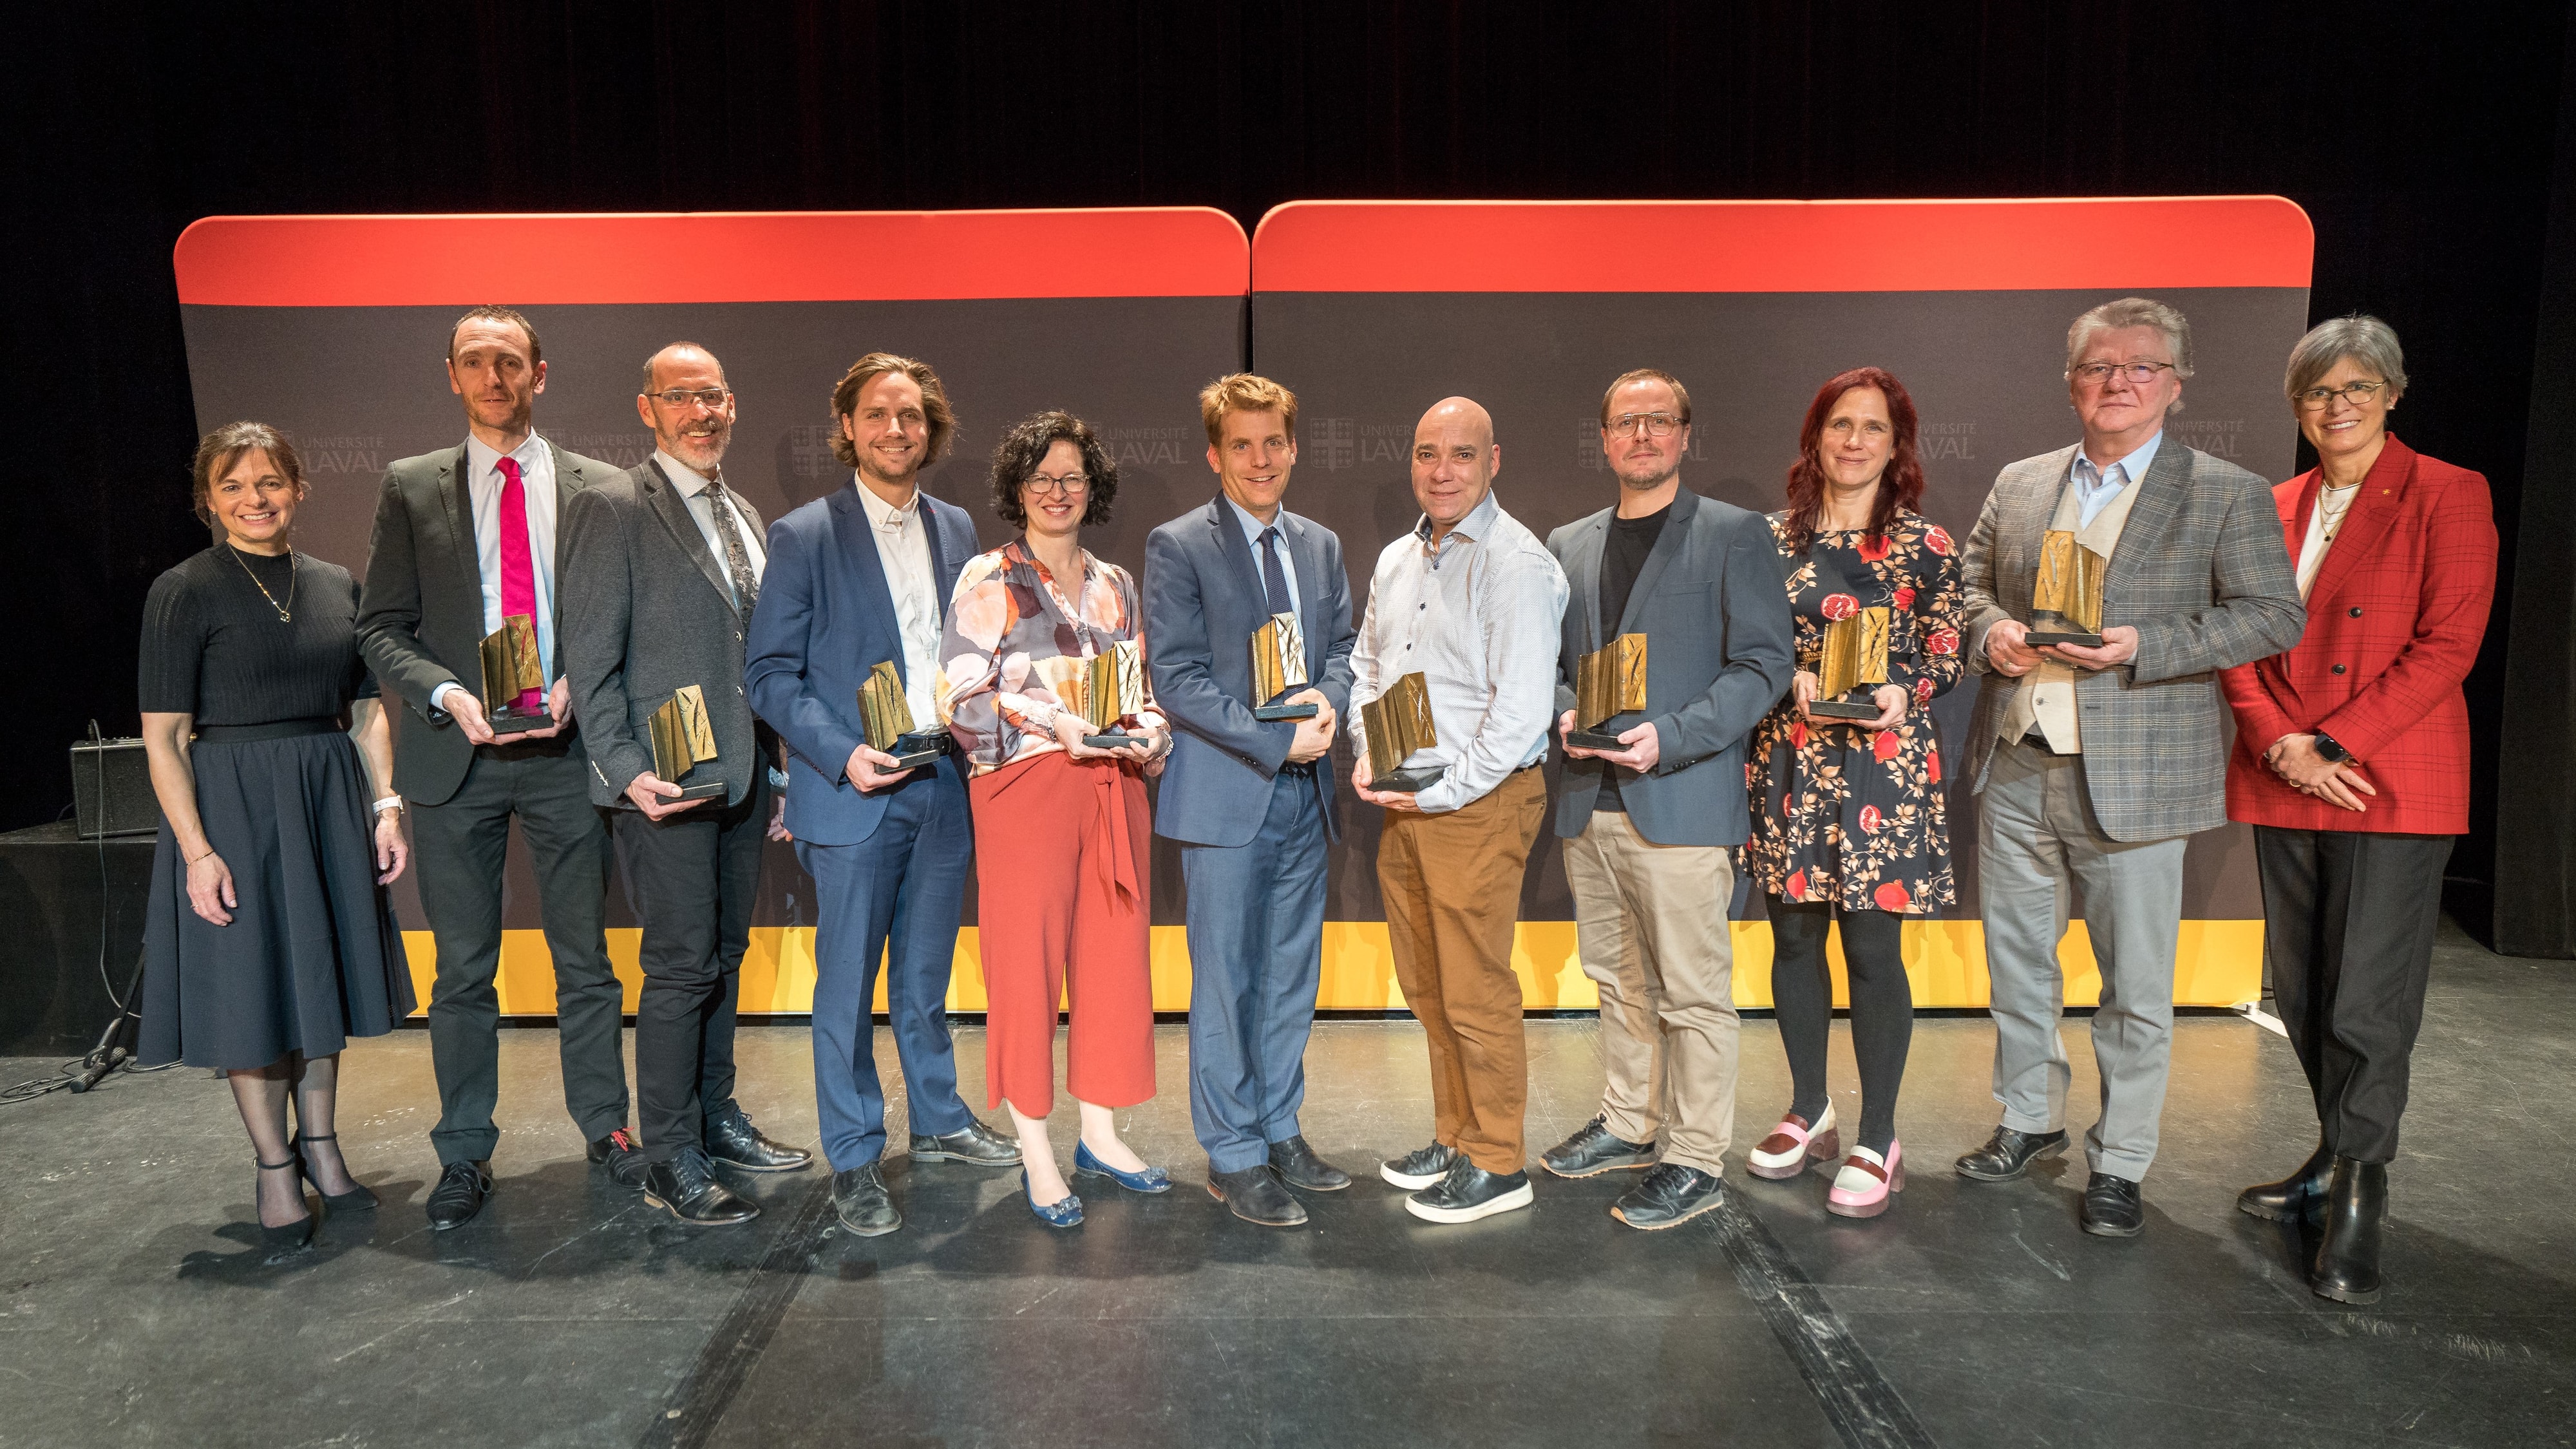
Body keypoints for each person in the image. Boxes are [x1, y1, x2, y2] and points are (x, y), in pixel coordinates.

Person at [1955, 297, 2305, 1238]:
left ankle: (2120, 1160)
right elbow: (1969, 589)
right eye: (2097, 366)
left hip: (2139, 775)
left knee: (2136, 987)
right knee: (2017, 966)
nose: (2118, 381)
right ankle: (2029, 1117)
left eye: (2141, 366)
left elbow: (2274, 614)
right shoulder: (2023, 481)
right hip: (2017, 759)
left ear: (2176, 384)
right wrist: (1995, 637)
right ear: (2071, 382)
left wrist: (2145, 643)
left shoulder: (2225, 491)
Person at [2221, 316, 2496, 1303]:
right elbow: (2238, 635)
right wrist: (2281, 743)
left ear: (2392, 394)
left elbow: (2449, 642)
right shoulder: (2272, 503)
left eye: (2358, 388)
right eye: (2319, 391)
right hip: (2286, 772)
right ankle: (2332, 1152)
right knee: (2302, 991)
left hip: (2388, 773)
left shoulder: (2448, 492)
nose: (2338, 406)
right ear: (2297, 405)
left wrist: (2334, 744)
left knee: (2366, 999)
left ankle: (2362, 1185)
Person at [355, 306, 635, 1231]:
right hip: (455, 760)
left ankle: (607, 1127)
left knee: (585, 960)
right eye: (474, 361)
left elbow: (621, 614)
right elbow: (380, 627)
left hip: (566, 753)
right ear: (452, 376)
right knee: (463, 971)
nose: (493, 376)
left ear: (539, 374)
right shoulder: (411, 485)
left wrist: (580, 678)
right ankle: (464, 1151)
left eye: (509, 361)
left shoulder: (600, 486)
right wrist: (444, 693)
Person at [745, 353, 1019, 1239]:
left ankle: (937, 1119)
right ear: (848, 427)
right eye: (876, 414)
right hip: (855, 790)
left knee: (926, 976)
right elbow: (769, 674)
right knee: (847, 987)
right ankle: (856, 1153)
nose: (895, 429)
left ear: (930, 428)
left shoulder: (956, 526)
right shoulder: (804, 534)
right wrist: (841, 754)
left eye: (910, 415)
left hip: (941, 783)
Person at [139, 423, 414, 1256]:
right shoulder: (183, 591)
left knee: (319, 981)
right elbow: (164, 737)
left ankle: (321, 1147)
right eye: (232, 485)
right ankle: (274, 1164)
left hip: (326, 800)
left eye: (269, 482)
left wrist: (386, 807)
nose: (253, 499)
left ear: (297, 488)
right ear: (208, 500)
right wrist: (198, 852)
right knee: (253, 991)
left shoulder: (335, 583)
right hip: (234, 809)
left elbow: (365, 710)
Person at [561, 343, 811, 1227]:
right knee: (679, 968)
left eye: (712, 396)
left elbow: (760, 657)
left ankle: (714, 1117)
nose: (700, 413)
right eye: (680, 397)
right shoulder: (611, 506)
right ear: (648, 409)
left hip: (738, 779)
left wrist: (779, 769)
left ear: (732, 405)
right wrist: (627, 771)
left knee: (725, 957)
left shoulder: (743, 511)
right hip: (661, 786)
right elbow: (589, 661)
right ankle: (670, 1155)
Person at [1539, 369, 1794, 1231]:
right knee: (1617, 981)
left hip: (1680, 798)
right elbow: (1550, 662)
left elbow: (1764, 664)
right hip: (1589, 800)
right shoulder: (1568, 542)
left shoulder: (1733, 533)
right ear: (1604, 438)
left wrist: (1672, 735)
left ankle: (1693, 1157)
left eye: (1658, 420)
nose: (1641, 435)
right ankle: (1628, 1121)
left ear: (1685, 433)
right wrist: (1563, 709)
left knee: (1691, 995)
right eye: (1625, 422)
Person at [1739, 368, 1965, 1220]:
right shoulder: (1768, 540)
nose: (1855, 440)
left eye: (1874, 427)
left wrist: (1910, 688)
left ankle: (1879, 1135)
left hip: (1884, 766)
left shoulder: (1926, 544)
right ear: (1816, 435)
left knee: (1872, 951)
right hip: (1793, 759)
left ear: (1896, 444)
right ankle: (1811, 1109)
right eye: (1841, 423)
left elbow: (1948, 647)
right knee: (1794, 941)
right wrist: (1788, 675)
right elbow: (1748, 642)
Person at [939, 410, 1172, 1227]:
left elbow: (1136, 690)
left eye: (1072, 477)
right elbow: (960, 697)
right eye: (1041, 478)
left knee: (1112, 965)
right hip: (1025, 791)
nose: (1057, 491)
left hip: (1112, 789)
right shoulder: (988, 578)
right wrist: (1053, 724)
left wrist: (1152, 731)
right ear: (1017, 487)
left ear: (1091, 487)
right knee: (1026, 969)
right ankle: (1036, 1150)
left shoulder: (1115, 584)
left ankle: (1100, 1136)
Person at [1145, 374, 1359, 1227]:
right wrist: (1276, 741)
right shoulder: (1178, 544)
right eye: (1241, 445)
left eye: (1273, 442)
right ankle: (1232, 1152)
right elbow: (1178, 677)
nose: (1260, 459)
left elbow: (1344, 646)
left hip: (1306, 796)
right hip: (1228, 797)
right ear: (1215, 455)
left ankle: (1278, 1127)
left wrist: (1327, 705)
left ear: (1294, 447)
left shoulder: (1319, 545)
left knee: (1288, 977)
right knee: (1227, 981)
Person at [1352, 397, 1570, 1226]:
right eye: (1426, 453)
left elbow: (1518, 714)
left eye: (1462, 455)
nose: (1442, 471)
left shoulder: (1518, 564)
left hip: (1477, 802)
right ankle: (1455, 1137)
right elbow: (1369, 668)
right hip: (1408, 797)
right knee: (1428, 985)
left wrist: (1438, 791)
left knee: (1474, 989)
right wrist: (1369, 751)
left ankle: (1497, 1160)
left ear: (1493, 461)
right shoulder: (1396, 558)